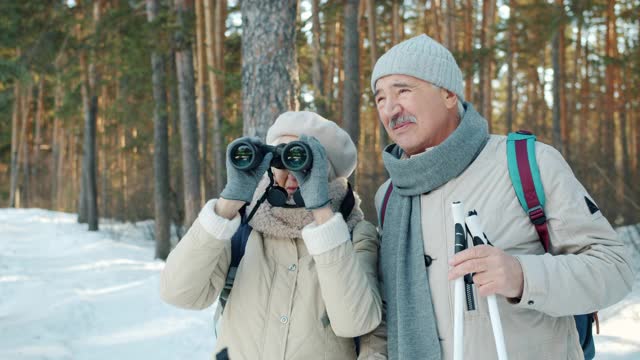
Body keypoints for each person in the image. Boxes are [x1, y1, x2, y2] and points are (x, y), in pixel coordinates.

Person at [369, 34, 634, 360]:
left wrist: (523, 277)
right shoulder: (389, 197)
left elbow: (614, 269)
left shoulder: (527, 163)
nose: (390, 109)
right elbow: (383, 308)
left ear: (449, 93)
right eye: (380, 99)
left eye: (403, 90)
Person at [160, 111, 383, 360]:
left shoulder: (355, 234)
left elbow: (356, 322)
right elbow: (178, 293)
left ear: (327, 171)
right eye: (281, 161)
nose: (291, 174)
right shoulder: (243, 226)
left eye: (301, 160)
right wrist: (227, 205)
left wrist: (322, 212)